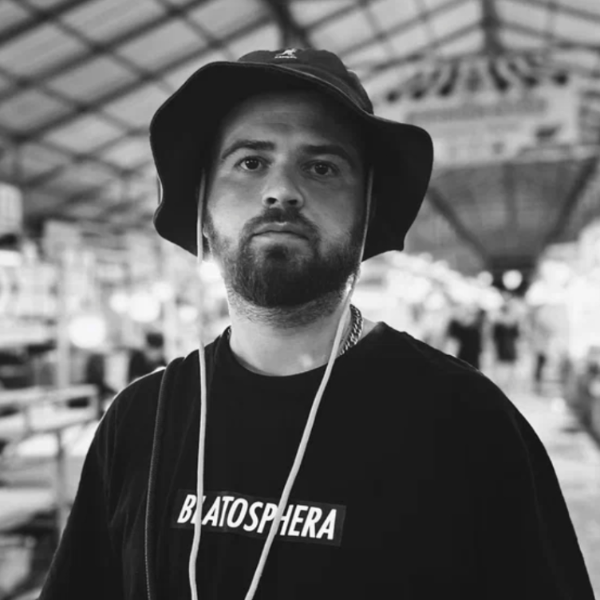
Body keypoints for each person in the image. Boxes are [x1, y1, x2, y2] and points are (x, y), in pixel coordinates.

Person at [39, 49, 594, 600]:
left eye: (322, 167)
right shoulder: (141, 421)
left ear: (366, 212)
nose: (282, 190)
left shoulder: (467, 421)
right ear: (204, 208)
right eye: (250, 162)